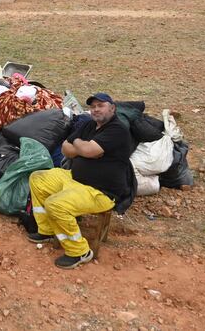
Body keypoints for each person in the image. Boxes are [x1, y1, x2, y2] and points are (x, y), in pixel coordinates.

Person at [27, 93, 133, 269]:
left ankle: (80, 251)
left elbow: (89, 150)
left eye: (101, 105)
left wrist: (79, 144)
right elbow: (66, 149)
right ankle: (47, 230)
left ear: (112, 108)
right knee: (37, 178)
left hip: (99, 191)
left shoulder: (117, 130)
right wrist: (81, 146)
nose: (96, 109)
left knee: (56, 204)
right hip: (74, 178)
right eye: (93, 107)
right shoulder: (90, 125)